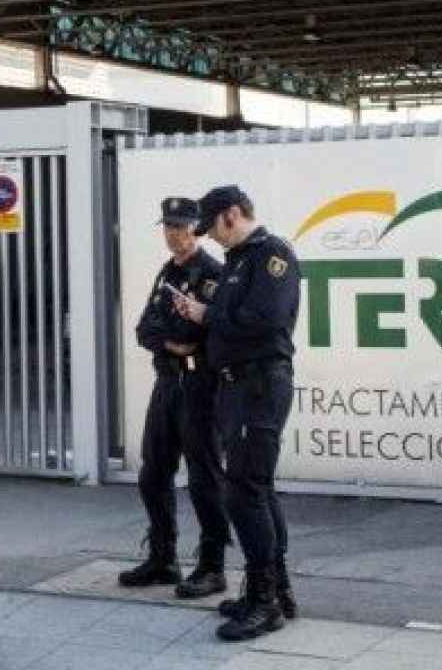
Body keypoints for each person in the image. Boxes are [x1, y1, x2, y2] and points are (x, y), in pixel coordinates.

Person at [174, 185, 301, 642]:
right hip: (237, 385)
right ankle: (274, 590)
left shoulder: (272, 255)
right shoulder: (237, 260)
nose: (212, 238)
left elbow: (263, 319)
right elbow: (232, 316)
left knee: (246, 492)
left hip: (259, 384)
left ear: (232, 215)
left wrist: (208, 316)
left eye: (213, 228)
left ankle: (265, 601)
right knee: (255, 489)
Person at [120, 197, 230, 598]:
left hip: (201, 387)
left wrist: (176, 338)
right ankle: (163, 558)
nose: (174, 235)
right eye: (168, 227)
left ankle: (212, 566)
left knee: (204, 479)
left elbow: (200, 336)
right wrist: (170, 341)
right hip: (167, 382)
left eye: (181, 227)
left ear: (196, 230)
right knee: (153, 474)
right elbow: (144, 330)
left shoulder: (213, 274)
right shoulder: (167, 272)